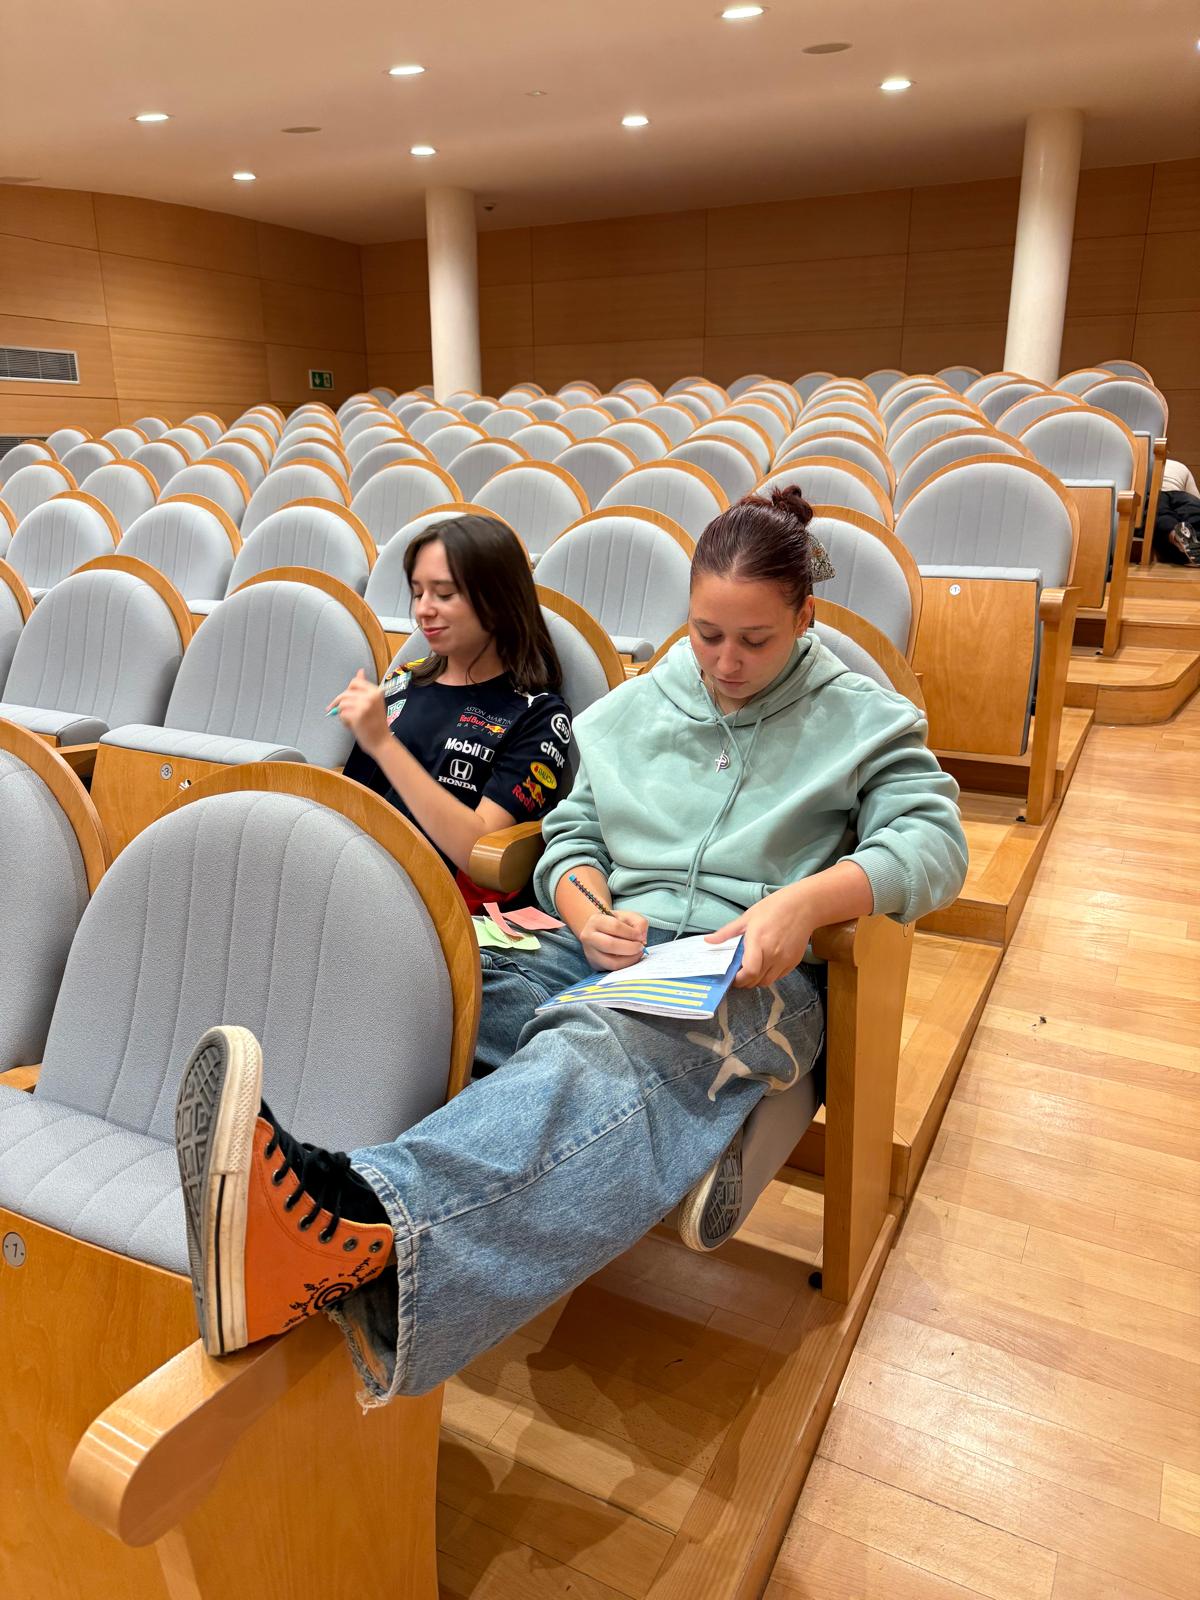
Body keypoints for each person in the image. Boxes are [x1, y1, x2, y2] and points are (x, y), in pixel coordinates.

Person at [173, 485, 969, 1402]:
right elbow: (570, 836)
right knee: (437, 986)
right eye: (707, 634)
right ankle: (293, 1187)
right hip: (610, 948)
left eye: (756, 640)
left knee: (608, 1041)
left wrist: (807, 900)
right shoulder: (645, 703)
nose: (726, 662)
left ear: (805, 618)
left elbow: (934, 844)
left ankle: (360, 1226)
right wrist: (586, 911)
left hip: (753, 972)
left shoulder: (861, 716)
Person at [333, 512, 573, 912]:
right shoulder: (404, 680)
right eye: (418, 593)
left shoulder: (539, 714)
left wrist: (383, 744)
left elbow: (479, 852)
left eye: (444, 594)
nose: (424, 610)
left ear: (498, 600)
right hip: (353, 876)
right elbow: (351, 805)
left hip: (435, 909)